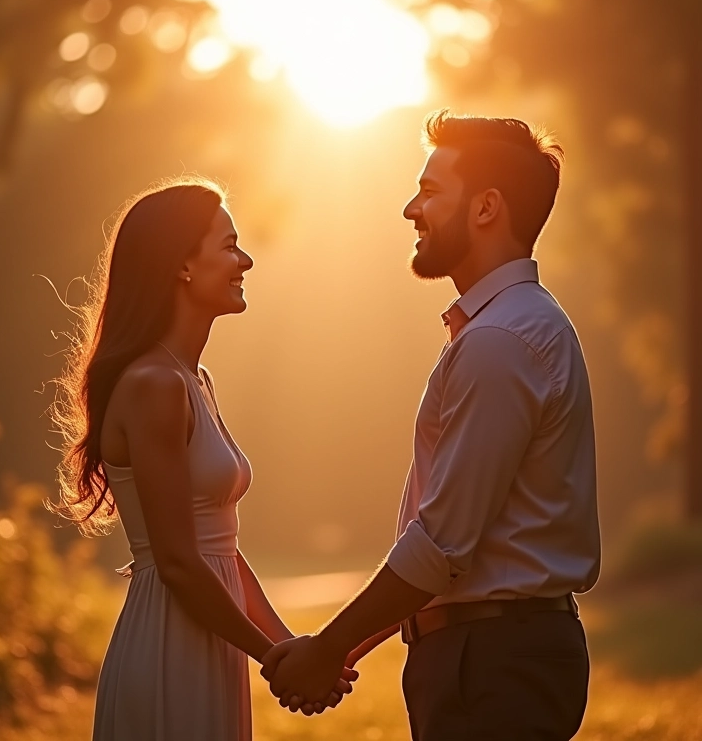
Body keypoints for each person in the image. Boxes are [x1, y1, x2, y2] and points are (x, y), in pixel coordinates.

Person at [262, 110, 601, 741]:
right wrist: (347, 649)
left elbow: (443, 544)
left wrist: (328, 649)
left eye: (431, 190)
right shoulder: (504, 328)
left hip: (494, 658)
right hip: (487, 651)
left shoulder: (501, 340)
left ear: (485, 208)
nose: (410, 209)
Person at [49, 179, 354, 741]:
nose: (246, 260)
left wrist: (288, 648)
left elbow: (222, 551)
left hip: (212, 635)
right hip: (169, 641)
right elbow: (179, 562)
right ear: (182, 266)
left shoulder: (194, 381)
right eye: (229, 246)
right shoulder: (154, 385)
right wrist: (277, 659)